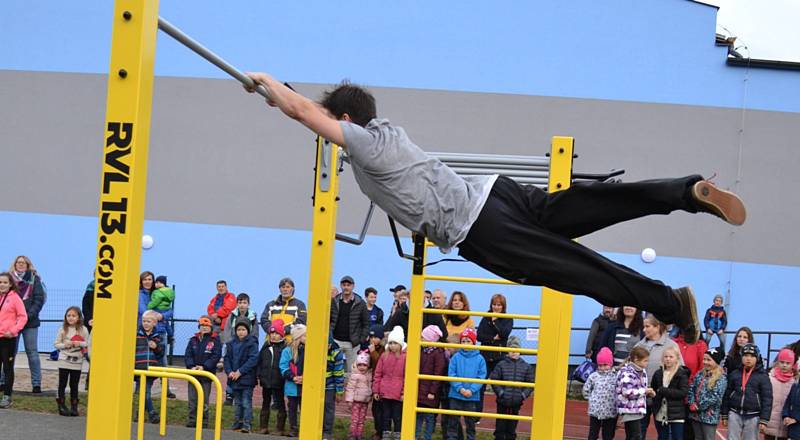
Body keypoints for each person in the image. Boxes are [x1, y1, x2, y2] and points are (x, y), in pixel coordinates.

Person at [243, 77, 747, 343]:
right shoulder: (385, 132)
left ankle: (671, 303)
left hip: (482, 226)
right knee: (596, 203)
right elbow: (310, 109)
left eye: (335, 123)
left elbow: (309, 114)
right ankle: (684, 192)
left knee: (577, 270)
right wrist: (282, 96)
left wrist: (273, 88)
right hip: (499, 193)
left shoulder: (366, 146)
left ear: (348, 121)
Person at [720, 343, 772, 440]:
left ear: (757, 358)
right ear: (741, 357)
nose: (748, 359)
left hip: (754, 415)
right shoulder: (735, 374)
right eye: (746, 356)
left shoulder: (762, 376)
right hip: (734, 413)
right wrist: (724, 414)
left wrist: (764, 420)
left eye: (752, 356)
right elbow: (726, 395)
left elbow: (767, 398)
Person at [634, 314, 679, 440]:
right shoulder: (639, 346)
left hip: (663, 396)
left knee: (664, 427)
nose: (644, 329)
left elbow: (680, 369)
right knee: (640, 426)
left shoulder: (670, 345)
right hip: (642, 395)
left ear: (657, 327)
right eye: (644, 326)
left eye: (648, 326)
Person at [647, 346, 690, 440]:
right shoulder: (658, 373)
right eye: (666, 357)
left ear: (677, 358)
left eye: (671, 357)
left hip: (677, 412)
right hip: (661, 410)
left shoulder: (681, 373)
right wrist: (653, 394)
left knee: (678, 439)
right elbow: (655, 388)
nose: (668, 359)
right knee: (662, 438)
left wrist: (664, 391)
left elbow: (683, 392)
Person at [443, 328, 486, 440]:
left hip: (472, 396)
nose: (466, 343)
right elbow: (451, 374)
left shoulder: (480, 359)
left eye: (469, 341)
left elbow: (481, 376)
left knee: (470, 422)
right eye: (463, 341)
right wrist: (460, 388)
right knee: (453, 420)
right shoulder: (456, 357)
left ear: (474, 342)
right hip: (456, 394)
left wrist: (471, 390)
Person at [686, 347, 727, 440]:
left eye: (709, 360)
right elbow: (691, 388)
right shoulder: (700, 374)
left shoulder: (721, 378)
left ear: (716, 361)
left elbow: (715, 396)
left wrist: (699, 405)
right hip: (696, 414)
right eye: (704, 359)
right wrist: (691, 402)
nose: (706, 362)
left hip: (709, 415)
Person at [489, 335, 533, 440]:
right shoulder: (501, 365)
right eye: (511, 349)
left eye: (516, 349)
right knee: (500, 422)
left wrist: (523, 395)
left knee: (512, 423)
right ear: (507, 350)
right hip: (503, 400)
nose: (514, 352)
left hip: (516, 400)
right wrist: (501, 393)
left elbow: (530, 383)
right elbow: (495, 380)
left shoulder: (526, 366)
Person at [9, 256, 45, 393]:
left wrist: (27, 316)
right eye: (18, 262)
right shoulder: (9, 280)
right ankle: (4, 382)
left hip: (30, 322)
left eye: (23, 262)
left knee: (32, 353)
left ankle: (36, 384)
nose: (20, 264)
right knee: (9, 353)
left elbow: (38, 299)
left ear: (28, 265)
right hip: (12, 323)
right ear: (15, 264)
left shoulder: (35, 279)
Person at [760, 348, 797, 440]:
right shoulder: (770, 377)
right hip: (771, 417)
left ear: (792, 365)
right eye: (782, 362)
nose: (784, 365)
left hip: (785, 419)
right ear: (777, 363)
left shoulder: (794, 381)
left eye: (787, 363)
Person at [138, 271, 175, 398]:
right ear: (141, 281)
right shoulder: (140, 295)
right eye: (145, 279)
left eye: (150, 279)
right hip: (144, 332)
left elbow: (169, 310)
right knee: (142, 360)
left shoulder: (159, 292)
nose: (147, 282)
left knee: (162, 361)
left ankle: (166, 388)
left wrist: (162, 315)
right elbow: (144, 311)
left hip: (160, 331)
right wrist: (155, 315)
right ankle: (140, 389)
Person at [615, 346, 649, 440]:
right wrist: (644, 391)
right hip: (629, 408)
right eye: (645, 361)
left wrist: (644, 392)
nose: (647, 363)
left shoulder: (642, 371)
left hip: (636, 407)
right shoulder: (626, 372)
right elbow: (627, 391)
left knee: (632, 436)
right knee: (635, 435)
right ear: (636, 359)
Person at [581, 347, 618, 440]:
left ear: (610, 364)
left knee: (608, 435)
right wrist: (591, 399)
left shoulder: (615, 376)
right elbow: (586, 389)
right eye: (600, 365)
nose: (603, 368)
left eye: (605, 365)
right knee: (593, 434)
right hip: (595, 411)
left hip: (610, 411)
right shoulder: (593, 376)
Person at [183, 316, 221, 428]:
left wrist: (204, 367)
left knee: (204, 399)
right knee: (192, 399)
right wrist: (191, 366)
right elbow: (188, 354)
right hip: (193, 374)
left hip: (206, 375)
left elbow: (215, 356)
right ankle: (192, 419)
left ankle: (204, 421)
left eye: (206, 326)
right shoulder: (193, 340)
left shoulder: (215, 340)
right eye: (202, 326)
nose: (204, 328)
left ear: (211, 327)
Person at [224, 320, 260, 433]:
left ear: (248, 331)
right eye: (239, 330)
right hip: (234, 379)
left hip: (247, 379)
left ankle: (246, 423)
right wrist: (229, 372)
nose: (241, 332)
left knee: (246, 402)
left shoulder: (252, 343)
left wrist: (240, 372)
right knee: (238, 402)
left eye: (243, 330)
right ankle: (237, 422)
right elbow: (227, 359)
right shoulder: (231, 344)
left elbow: (253, 360)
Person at [373, 325, 407, 440]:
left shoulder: (405, 357)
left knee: (397, 416)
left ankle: (398, 436)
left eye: (395, 343)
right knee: (385, 415)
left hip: (398, 393)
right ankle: (386, 436)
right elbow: (378, 373)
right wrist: (376, 390)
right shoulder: (384, 356)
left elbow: (406, 376)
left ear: (400, 344)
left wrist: (403, 392)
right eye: (390, 343)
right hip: (385, 391)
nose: (392, 346)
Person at [53, 306, 89, 416]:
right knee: (62, 383)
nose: (71, 318)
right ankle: (61, 405)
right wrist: (65, 345)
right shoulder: (63, 329)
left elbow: (87, 343)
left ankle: (74, 406)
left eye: (74, 316)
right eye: (68, 315)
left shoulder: (83, 329)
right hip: (64, 360)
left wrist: (79, 344)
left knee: (74, 384)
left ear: (79, 317)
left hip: (77, 361)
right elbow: (56, 344)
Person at [330, 275, 370, 373]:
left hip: (352, 344)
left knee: (352, 372)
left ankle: (349, 389)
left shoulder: (360, 303)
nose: (346, 287)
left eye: (348, 285)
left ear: (353, 286)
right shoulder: (334, 301)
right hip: (336, 341)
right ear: (341, 286)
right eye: (344, 285)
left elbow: (366, 323)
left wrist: (360, 340)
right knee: (333, 369)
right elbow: (329, 319)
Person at [0, 273, 28, 408]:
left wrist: (13, 331)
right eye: (0, 282)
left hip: (8, 339)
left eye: (5, 282)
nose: (2, 285)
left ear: (10, 284)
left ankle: (7, 396)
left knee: (7, 368)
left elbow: (23, 317)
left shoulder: (15, 298)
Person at [416, 325, 447, 440]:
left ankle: (427, 439)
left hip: (430, 391)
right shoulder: (422, 351)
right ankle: (416, 437)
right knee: (418, 415)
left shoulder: (438, 353)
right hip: (420, 389)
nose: (421, 340)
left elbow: (438, 373)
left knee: (429, 416)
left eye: (423, 338)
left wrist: (432, 391)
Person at [257, 319, 288, 435]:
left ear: (282, 335)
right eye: (272, 334)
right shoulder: (265, 348)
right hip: (266, 380)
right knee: (265, 402)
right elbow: (259, 362)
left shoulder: (285, 348)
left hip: (279, 381)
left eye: (276, 334)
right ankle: (263, 426)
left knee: (280, 403)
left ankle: (280, 428)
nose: (274, 336)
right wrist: (259, 374)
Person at [383, 287, 447, 342]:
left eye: (419, 296)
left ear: (424, 297)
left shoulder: (434, 313)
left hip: (428, 351)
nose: (416, 299)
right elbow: (391, 331)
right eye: (414, 296)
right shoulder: (399, 313)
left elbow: (443, 335)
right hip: (404, 350)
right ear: (409, 297)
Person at [134, 310, 162, 423]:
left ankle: (143, 413)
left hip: (150, 369)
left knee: (144, 392)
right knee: (143, 392)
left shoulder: (157, 337)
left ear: (154, 323)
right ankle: (149, 413)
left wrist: (156, 347)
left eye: (148, 321)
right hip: (139, 368)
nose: (146, 323)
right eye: (144, 321)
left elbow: (161, 353)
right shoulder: (137, 335)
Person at [477, 293, 513, 377]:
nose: (496, 307)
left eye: (499, 305)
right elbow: (479, 336)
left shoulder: (508, 319)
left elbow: (504, 334)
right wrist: (493, 338)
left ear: (503, 306)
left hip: (499, 356)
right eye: (494, 304)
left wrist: (495, 321)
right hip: (485, 355)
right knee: (482, 381)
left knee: (499, 382)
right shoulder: (486, 317)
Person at [280, 324, 307, 437]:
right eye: (305, 336)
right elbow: (283, 367)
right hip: (292, 386)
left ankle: (305, 428)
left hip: (305, 386)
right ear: (298, 337)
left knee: (305, 408)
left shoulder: (309, 351)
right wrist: (293, 377)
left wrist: (304, 377)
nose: (307, 338)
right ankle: (293, 428)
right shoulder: (287, 351)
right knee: (292, 408)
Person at [345, 351, 373, 440]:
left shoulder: (369, 375)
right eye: (359, 365)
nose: (362, 367)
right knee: (355, 419)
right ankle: (352, 434)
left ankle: (359, 434)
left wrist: (370, 396)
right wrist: (349, 400)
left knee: (362, 419)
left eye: (364, 365)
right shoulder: (354, 375)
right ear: (356, 365)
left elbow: (370, 387)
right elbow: (350, 388)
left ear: (368, 366)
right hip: (356, 401)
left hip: (364, 401)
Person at [322, 334, 346, 440]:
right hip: (316, 385)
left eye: (326, 345)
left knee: (328, 407)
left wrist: (339, 391)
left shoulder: (336, 353)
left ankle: (327, 432)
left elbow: (338, 373)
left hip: (330, 385)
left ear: (330, 344)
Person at [365, 326, 385, 440]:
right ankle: (378, 432)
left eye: (376, 337)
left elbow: (380, 364)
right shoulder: (369, 348)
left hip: (382, 384)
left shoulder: (383, 349)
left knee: (380, 410)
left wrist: (372, 352)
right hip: (374, 383)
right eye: (371, 337)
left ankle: (381, 433)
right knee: (375, 410)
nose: (373, 339)